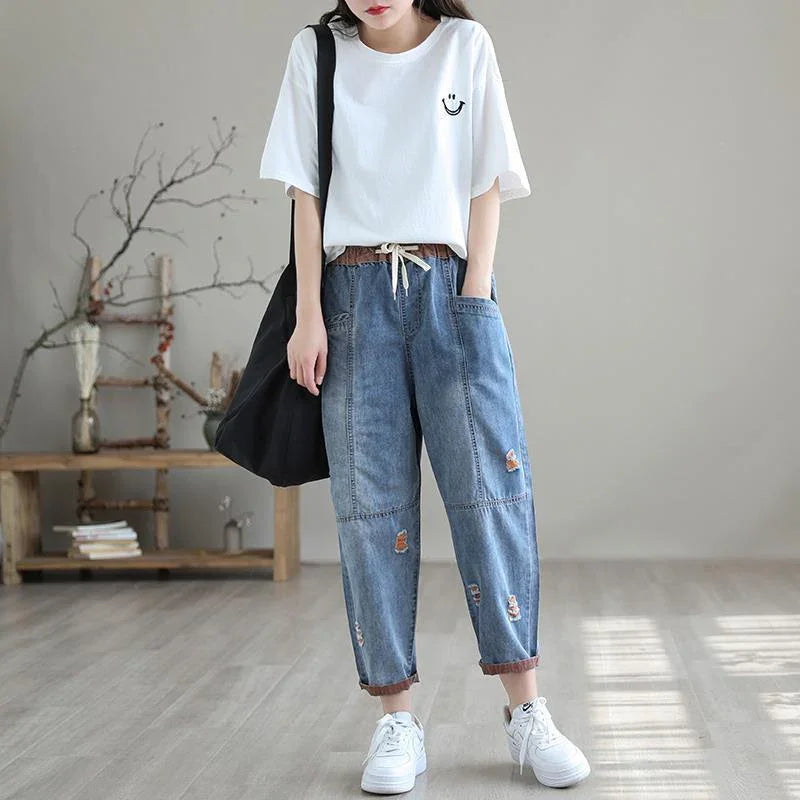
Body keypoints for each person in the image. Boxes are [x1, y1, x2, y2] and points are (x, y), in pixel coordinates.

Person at [259, 0, 590, 793]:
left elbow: (488, 178)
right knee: (372, 511)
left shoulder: (465, 47)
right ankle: (397, 720)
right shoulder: (318, 54)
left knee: (491, 497)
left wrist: (474, 293)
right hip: (350, 297)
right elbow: (305, 194)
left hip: (450, 289)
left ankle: (526, 712)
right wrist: (309, 315)